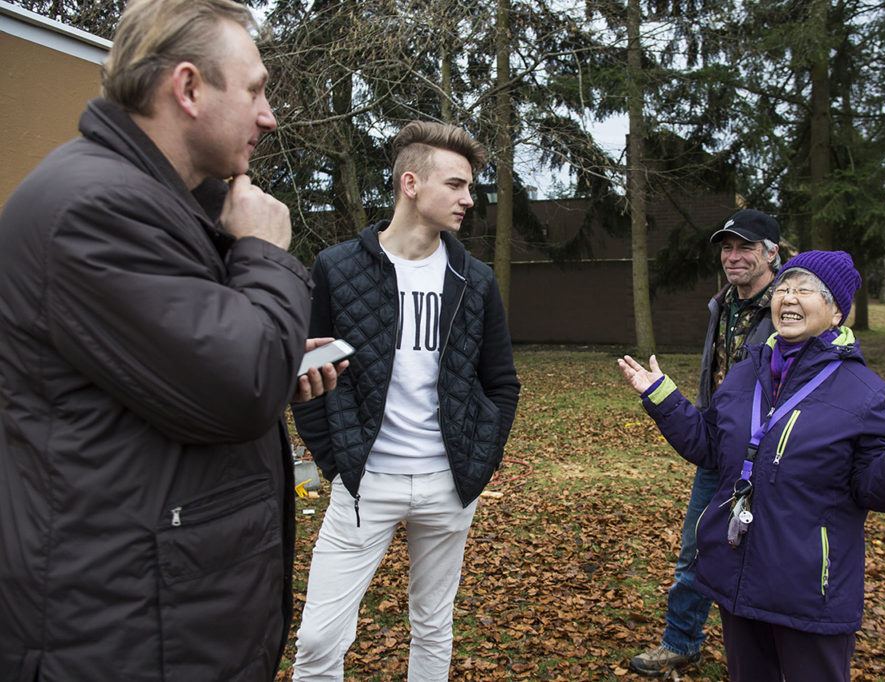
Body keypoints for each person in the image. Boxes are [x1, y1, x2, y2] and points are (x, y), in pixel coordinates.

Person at [0, 1, 341, 680]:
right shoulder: (96, 210)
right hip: (121, 630)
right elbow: (236, 389)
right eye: (254, 90)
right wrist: (265, 252)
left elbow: (186, 369)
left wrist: (276, 358)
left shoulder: (154, 204)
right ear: (187, 89)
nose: (268, 115)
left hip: (162, 610)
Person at [619, 251, 885, 681]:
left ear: (837, 310)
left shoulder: (866, 393)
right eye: (783, 288)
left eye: (805, 290)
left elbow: (874, 489)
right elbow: (711, 448)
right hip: (738, 579)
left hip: (808, 592)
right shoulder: (746, 374)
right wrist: (662, 397)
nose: (789, 297)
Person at [290, 121, 521, 681]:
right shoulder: (339, 268)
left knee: (434, 626)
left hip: (449, 486)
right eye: (458, 184)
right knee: (320, 640)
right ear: (411, 183)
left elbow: (501, 382)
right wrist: (335, 462)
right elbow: (307, 373)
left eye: (472, 187)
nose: (470, 198)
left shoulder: (476, 279)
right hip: (365, 485)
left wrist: (478, 462)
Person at [630, 208, 781, 676]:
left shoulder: (786, 306)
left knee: (769, 553)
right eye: (727, 247)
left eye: (745, 247)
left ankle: (774, 649)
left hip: (767, 453)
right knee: (697, 545)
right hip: (717, 443)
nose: (733, 257)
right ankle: (681, 640)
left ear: (772, 252)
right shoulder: (724, 303)